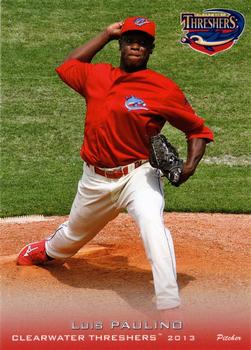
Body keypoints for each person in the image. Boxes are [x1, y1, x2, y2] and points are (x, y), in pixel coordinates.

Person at [17, 17, 214, 312]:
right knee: (72, 236)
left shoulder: (163, 88)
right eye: (130, 40)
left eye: (143, 42)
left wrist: (189, 166)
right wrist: (105, 33)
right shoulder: (97, 76)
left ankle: (168, 303)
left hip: (138, 176)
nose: (136, 45)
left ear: (151, 49)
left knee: (152, 224)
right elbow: (68, 66)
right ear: (121, 45)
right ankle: (47, 251)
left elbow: (197, 129)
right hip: (95, 180)